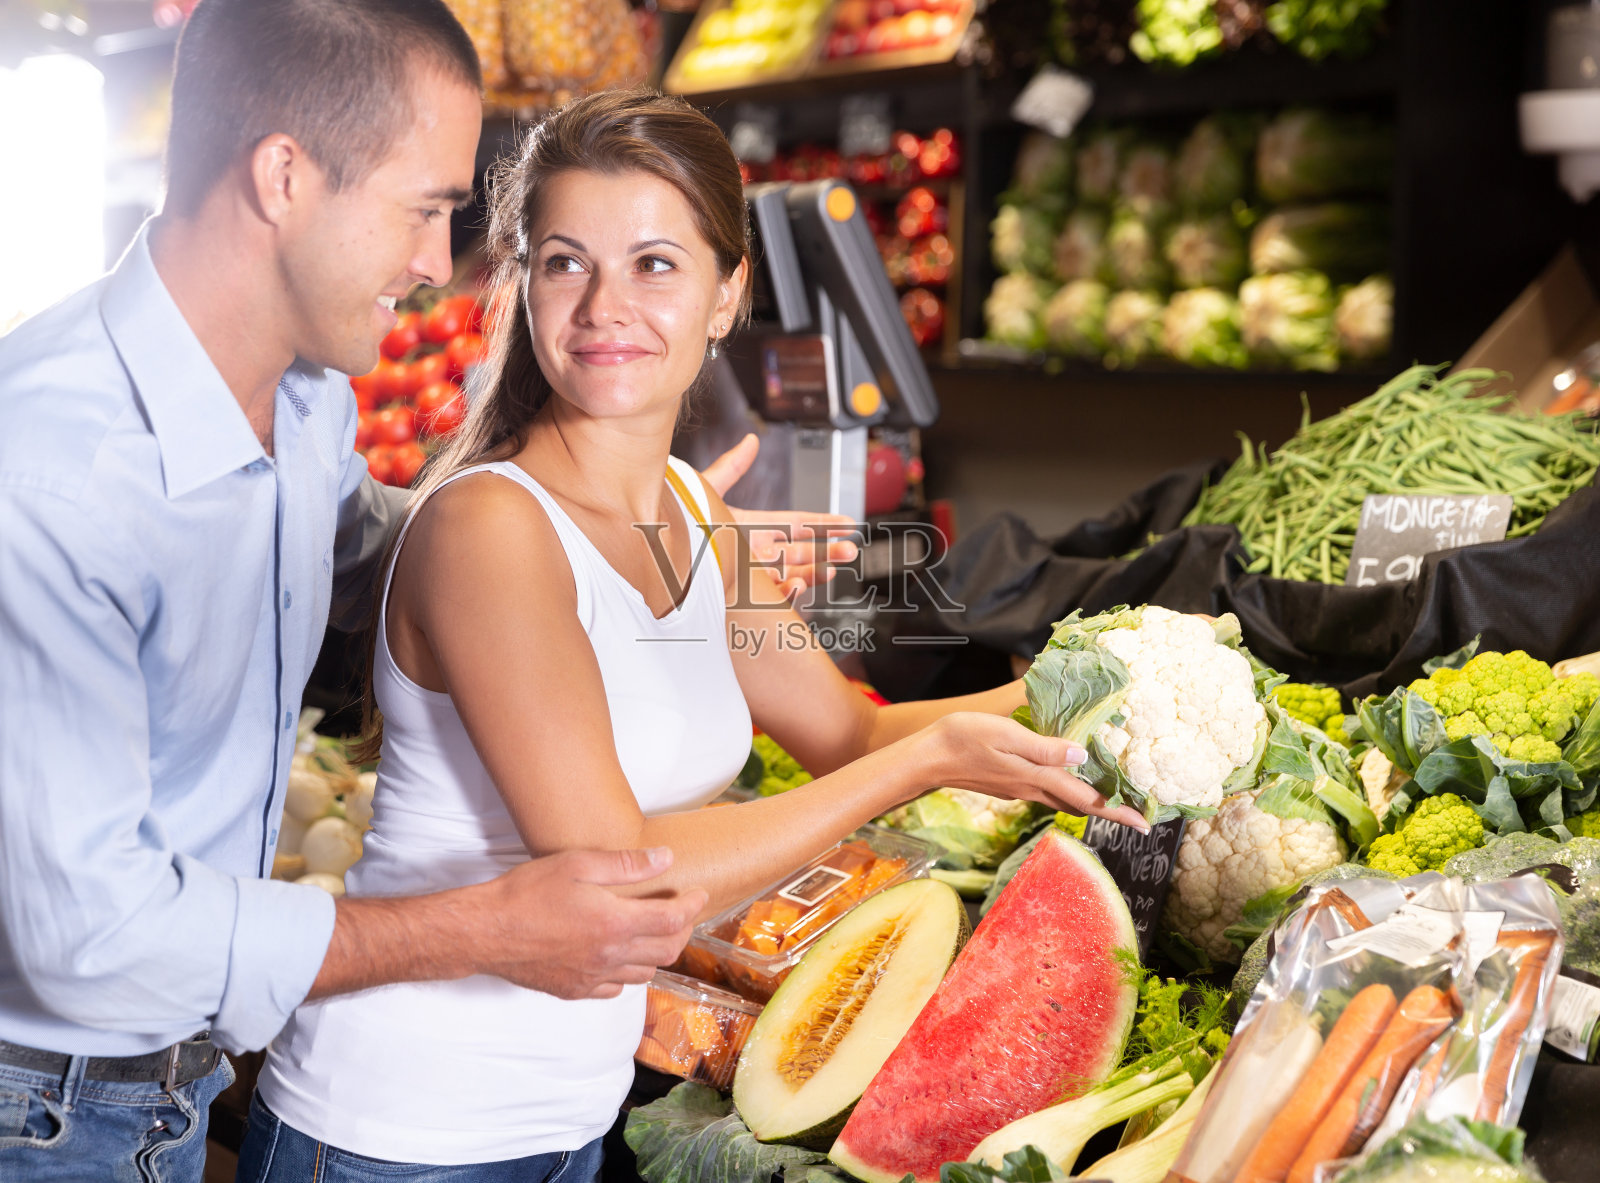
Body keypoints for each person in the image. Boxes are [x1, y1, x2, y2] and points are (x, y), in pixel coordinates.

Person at [0, 3, 848, 1179]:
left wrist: (630, 524)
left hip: (173, 1076)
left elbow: (370, 549)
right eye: (426, 208)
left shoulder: (302, 407)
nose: (436, 263)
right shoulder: (48, 471)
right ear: (284, 177)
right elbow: (85, 938)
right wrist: (481, 929)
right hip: (32, 1098)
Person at [240, 89, 1148, 1183]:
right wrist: (929, 761)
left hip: (567, 1115)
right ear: (521, 285)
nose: (602, 305)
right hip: (397, 1128)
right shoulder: (489, 528)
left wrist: (1106, 684)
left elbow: (846, 736)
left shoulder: (692, 510)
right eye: (565, 262)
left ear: (728, 296)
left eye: (656, 265)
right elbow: (615, 872)